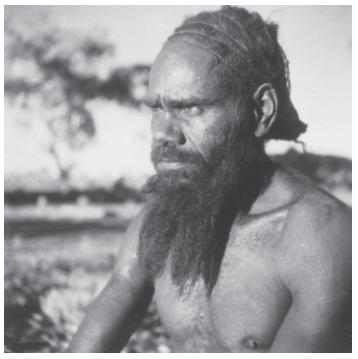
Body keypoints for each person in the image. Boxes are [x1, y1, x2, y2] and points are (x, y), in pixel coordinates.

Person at [66, 6, 351, 353]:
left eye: (191, 108)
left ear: (261, 111)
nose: (163, 133)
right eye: (157, 108)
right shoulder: (157, 227)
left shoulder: (319, 236)